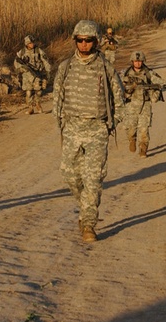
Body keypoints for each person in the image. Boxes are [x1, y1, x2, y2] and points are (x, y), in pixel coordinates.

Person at [53, 20, 126, 242]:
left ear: (96, 41)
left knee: (93, 179)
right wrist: (61, 124)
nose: (84, 44)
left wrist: (110, 124)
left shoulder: (105, 68)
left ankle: (88, 223)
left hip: (97, 129)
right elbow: (57, 98)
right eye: (80, 40)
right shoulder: (66, 67)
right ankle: (85, 205)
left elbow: (119, 98)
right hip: (72, 128)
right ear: (75, 40)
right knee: (70, 175)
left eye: (89, 40)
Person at [119, 51, 166, 158]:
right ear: (132, 61)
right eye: (136, 61)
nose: (138, 63)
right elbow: (117, 85)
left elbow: (158, 81)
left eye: (140, 61)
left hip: (145, 105)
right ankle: (132, 139)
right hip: (130, 105)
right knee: (131, 128)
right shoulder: (125, 73)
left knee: (144, 129)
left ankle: (143, 149)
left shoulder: (148, 73)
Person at [14, 34, 51, 114]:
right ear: (27, 44)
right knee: (28, 92)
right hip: (27, 76)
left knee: (39, 91)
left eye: (33, 42)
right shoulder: (22, 52)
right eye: (30, 43)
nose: (32, 44)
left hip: (37, 74)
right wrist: (22, 69)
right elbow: (16, 63)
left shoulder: (38, 50)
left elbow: (45, 61)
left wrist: (48, 71)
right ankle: (30, 108)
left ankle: (37, 103)